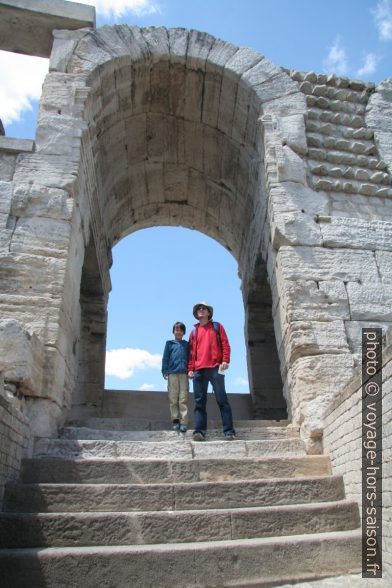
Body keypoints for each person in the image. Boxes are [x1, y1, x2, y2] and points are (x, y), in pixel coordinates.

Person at [188, 302, 236, 441]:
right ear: (196, 313)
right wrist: (190, 369)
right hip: (199, 370)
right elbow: (191, 352)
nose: (201, 310)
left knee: (222, 400)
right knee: (199, 402)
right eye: (198, 309)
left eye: (204, 308)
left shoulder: (217, 326)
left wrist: (226, 360)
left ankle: (229, 431)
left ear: (209, 312)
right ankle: (199, 432)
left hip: (216, 368)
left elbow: (225, 344)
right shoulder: (194, 332)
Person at [161, 321, 189, 433]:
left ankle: (184, 422)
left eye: (180, 330)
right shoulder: (169, 344)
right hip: (172, 373)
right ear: (173, 331)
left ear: (183, 332)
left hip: (184, 374)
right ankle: (175, 420)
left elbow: (191, 358)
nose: (178, 332)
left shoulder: (187, 344)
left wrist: (191, 370)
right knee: (173, 398)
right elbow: (165, 358)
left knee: (183, 398)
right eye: (176, 329)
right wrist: (164, 370)